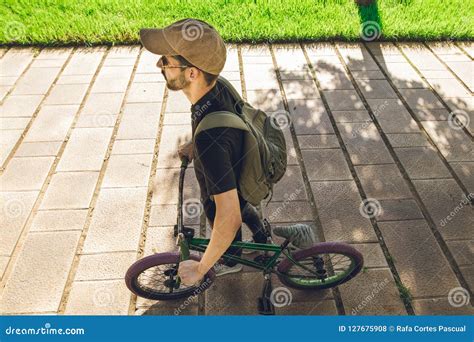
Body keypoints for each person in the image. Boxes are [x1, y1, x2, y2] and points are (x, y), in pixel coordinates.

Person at [140, 18, 268, 286]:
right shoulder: (217, 86)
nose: (159, 65)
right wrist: (196, 144)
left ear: (192, 73)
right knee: (238, 201)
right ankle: (261, 235)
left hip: (224, 169)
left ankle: (231, 261)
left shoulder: (211, 141)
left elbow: (228, 218)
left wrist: (200, 269)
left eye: (166, 61)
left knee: (223, 209)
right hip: (236, 162)